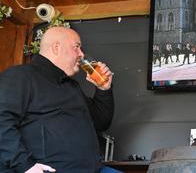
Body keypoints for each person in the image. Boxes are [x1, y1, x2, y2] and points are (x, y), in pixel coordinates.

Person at [0, 26, 115, 173]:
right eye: (77, 47)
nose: (81, 54)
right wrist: (25, 166)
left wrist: (104, 89)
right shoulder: (20, 76)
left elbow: (101, 122)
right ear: (56, 47)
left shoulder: (72, 86)